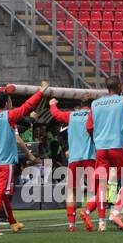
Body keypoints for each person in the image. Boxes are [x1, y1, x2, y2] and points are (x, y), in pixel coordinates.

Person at [0, 81, 47, 235]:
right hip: (4, 161)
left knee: (1, 193)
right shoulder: (8, 116)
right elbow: (27, 106)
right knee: (0, 193)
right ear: (7, 102)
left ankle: (12, 222)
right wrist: (41, 91)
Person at [83, 75, 123, 233]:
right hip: (117, 146)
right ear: (119, 85)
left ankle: (100, 221)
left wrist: (98, 140)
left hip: (101, 148)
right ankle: (115, 212)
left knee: (103, 185)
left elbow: (89, 127)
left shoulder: (95, 103)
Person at [47, 95, 96, 232]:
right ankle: (86, 212)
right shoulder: (94, 114)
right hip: (90, 157)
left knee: (72, 191)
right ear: (92, 105)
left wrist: (52, 104)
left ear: (81, 103)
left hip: (74, 158)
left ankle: (71, 225)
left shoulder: (72, 115)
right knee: (98, 190)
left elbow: (56, 114)